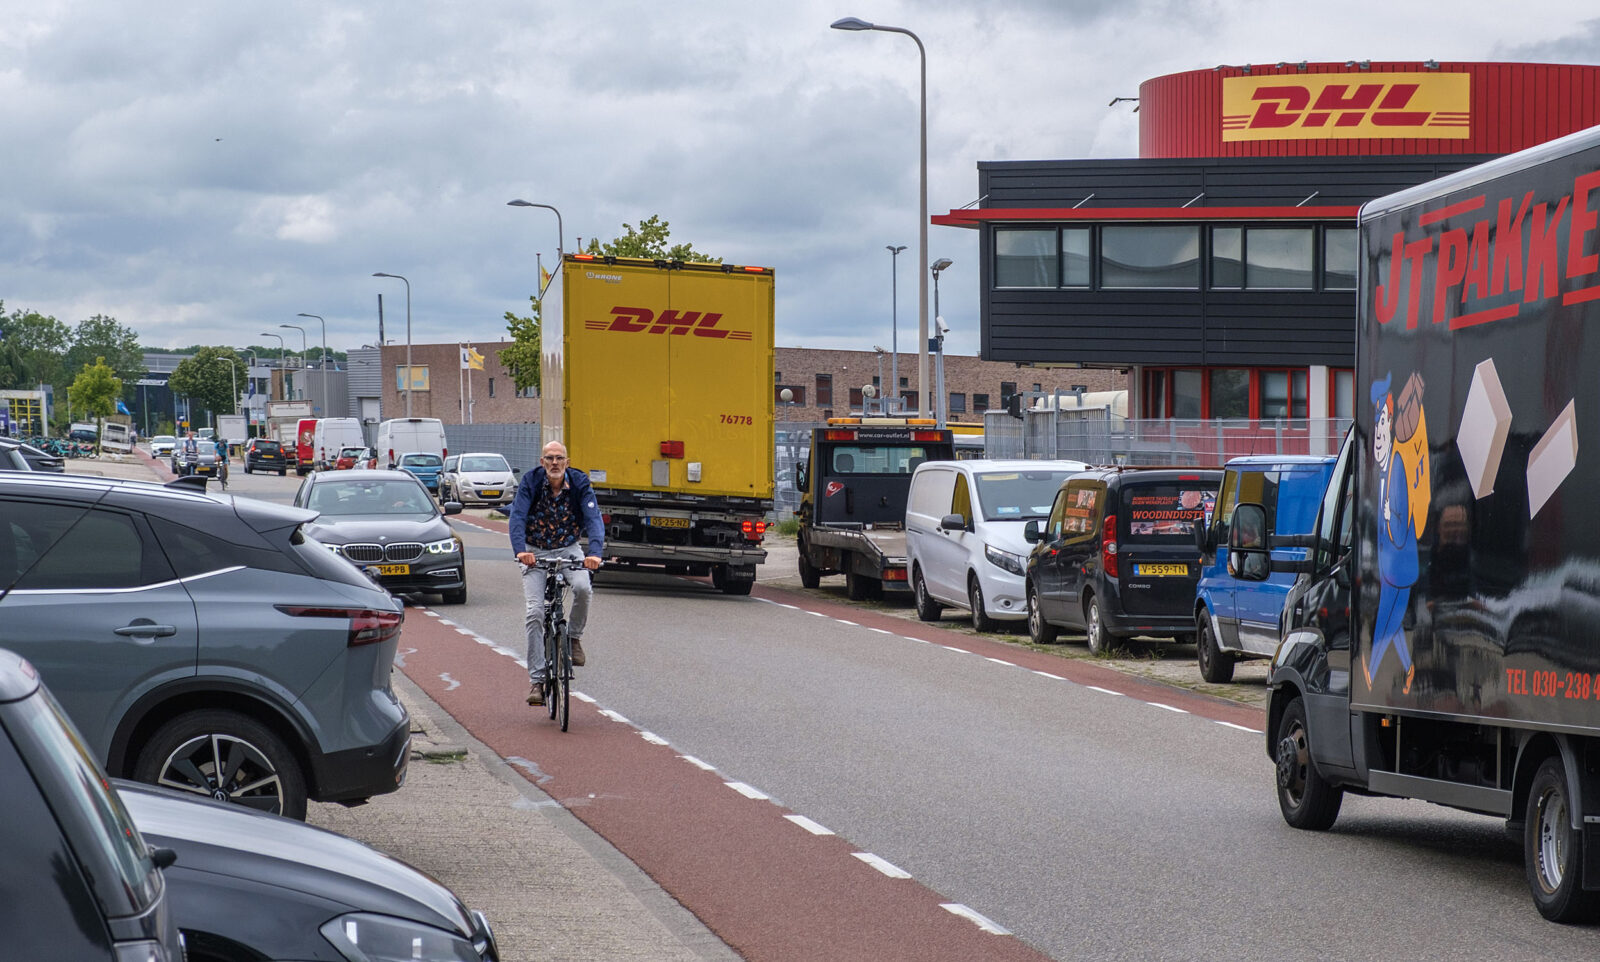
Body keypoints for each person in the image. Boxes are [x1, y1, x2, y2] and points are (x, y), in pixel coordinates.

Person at [508, 441, 604, 707]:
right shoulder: (530, 482)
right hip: (535, 550)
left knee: (583, 587)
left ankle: (573, 638)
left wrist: (595, 553)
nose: (554, 463)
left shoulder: (580, 483)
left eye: (559, 458)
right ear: (542, 462)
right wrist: (520, 551)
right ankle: (537, 681)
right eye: (549, 458)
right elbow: (517, 516)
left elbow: (593, 519)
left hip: (568, 548)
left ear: (567, 462)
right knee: (535, 612)